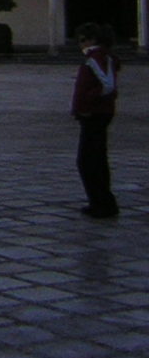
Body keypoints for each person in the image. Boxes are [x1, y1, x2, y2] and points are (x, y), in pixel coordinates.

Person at [70, 22, 120, 218]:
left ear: (93, 40)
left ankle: (103, 203)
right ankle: (99, 201)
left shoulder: (97, 58)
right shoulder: (96, 57)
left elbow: (108, 85)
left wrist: (89, 103)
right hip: (95, 113)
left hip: (96, 114)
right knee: (94, 159)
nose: (81, 44)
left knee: (89, 161)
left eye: (83, 40)